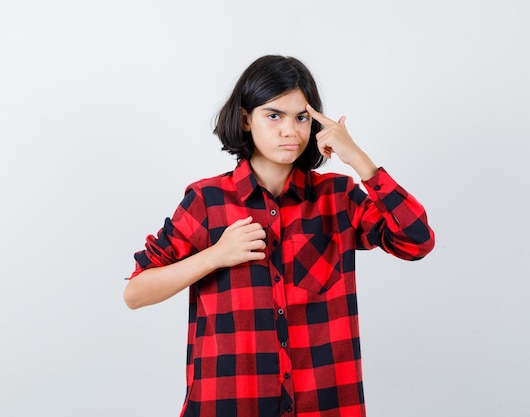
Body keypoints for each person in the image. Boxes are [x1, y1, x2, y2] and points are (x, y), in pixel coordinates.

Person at [123, 55, 435, 417]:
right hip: (230, 405)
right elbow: (136, 292)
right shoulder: (207, 202)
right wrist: (215, 256)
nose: (291, 131)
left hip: (325, 404)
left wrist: (360, 160)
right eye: (274, 116)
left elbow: (416, 242)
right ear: (245, 119)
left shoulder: (337, 198)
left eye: (301, 117)